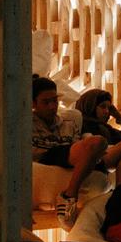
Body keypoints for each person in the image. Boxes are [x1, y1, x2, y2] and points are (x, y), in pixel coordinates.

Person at [32, 76, 109, 207]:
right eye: (46, 102)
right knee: (97, 142)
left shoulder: (70, 123)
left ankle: (117, 204)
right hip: (50, 155)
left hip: (71, 154)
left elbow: (77, 146)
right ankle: (69, 196)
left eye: (54, 101)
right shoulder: (25, 124)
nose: (52, 106)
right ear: (33, 104)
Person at [73, 89, 121, 184]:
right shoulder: (80, 123)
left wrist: (119, 117)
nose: (107, 111)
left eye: (109, 108)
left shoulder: (105, 128)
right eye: (103, 107)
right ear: (90, 106)